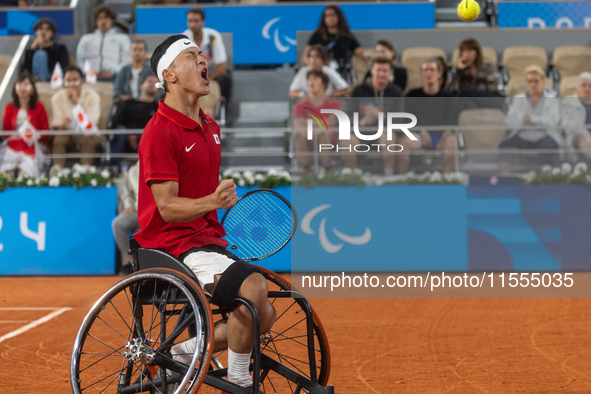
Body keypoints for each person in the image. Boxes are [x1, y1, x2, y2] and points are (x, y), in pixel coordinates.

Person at [134, 34, 275, 389]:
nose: (202, 59)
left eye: (202, 54)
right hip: (171, 247)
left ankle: (182, 353)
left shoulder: (210, 127)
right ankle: (241, 380)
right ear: (170, 75)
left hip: (205, 243)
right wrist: (214, 201)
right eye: (192, 56)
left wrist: (212, 206)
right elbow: (165, 208)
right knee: (254, 289)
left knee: (265, 311)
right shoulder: (159, 133)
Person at [293, 69, 357, 173]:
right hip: (307, 136)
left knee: (323, 132)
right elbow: (298, 124)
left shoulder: (333, 104)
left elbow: (332, 121)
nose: (311, 82)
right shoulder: (300, 105)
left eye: (315, 78)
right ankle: (306, 168)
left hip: (329, 138)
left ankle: (327, 168)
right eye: (309, 79)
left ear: (323, 84)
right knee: (298, 133)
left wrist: (309, 121)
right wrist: (321, 122)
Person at [351, 57, 403, 175]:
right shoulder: (358, 91)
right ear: (372, 71)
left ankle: (388, 176)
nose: (381, 74)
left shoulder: (396, 92)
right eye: (378, 70)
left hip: (385, 135)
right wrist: (361, 122)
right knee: (346, 140)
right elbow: (347, 117)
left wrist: (381, 116)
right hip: (361, 134)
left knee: (388, 135)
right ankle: (351, 176)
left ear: (390, 73)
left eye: (385, 71)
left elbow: (400, 120)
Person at [404, 59, 457, 174]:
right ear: (421, 74)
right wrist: (420, 130)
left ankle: (447, 180)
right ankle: (400, 181)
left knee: (452, 142)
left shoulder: (449, 97)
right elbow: (405, 119)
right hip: (418, 136)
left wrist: (448, 130)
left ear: (439, 73)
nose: (428, 73)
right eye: (425, 70)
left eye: (432, 70)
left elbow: (453, 120)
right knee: (403, 143)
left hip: (441, 138)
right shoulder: (411, 95)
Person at [501, 65, 561, 163]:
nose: (533, 84)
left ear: (543, 82)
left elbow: (553, 122)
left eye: (536, 81)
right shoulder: (518, 99)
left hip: (545, 136)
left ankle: (544, 175)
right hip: (522, 135)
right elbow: (509, 122)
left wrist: (532, 119)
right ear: (526, 83)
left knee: (547, 147)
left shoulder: (551, 100)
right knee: (504, 146)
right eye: (530, 81)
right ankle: (506, 175)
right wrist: (522, 121)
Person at [49, 66, 102, 175]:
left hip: (89, 135)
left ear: (82, 81)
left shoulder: (93, 97)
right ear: (63, 82)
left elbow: (91, 124)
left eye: (75, 80)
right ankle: (57, 168)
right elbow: (57, 124)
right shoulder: (56, 98)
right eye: (68, 80)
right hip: (68, 135)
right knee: (61, 135)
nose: (71, 84)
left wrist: (76, 103)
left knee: (86, 135)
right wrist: (62, 124)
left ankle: (85, 169)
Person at [0, 72, 50, 178]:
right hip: (14, 145)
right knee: (5, 175)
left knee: (25, 175)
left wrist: (33, 136)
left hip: (33, 145)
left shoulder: (39, 107)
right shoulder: (9, 107)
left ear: (32, 89)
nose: (22, 88)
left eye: (26, 84)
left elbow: (45, 131)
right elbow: (6, 132)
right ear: (15, 88)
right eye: (20, 84)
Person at [182, 7, 232, 103]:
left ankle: (224, 110)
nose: (193, 24)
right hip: (193, 77)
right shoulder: (183, 39)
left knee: (226, 80)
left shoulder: (213, 37)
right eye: (190, 21)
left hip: (212, 75)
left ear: (203, 22)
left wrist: (207, 79)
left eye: (196, 21)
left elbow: (222, 66)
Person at [110, 74, 160, 166]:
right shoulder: (127, 103)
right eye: (149, 81)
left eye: (156, 83)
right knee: (120, 130)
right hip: (124, 137)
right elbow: (116, 121)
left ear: (158, 91)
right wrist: (130, 133)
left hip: (146, 138)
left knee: (150, 132)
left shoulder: (159, 108)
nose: (152, 84)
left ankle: (150, 168)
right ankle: (113, 168)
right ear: (141, 86)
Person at [305, 5, 365, 78]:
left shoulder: (346, 35)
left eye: (332, 15)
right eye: (326, 16)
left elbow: (357, 49)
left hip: (342, 70)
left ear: (339, 17)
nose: (329, 18)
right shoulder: (318, 35)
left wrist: (366, 54)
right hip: (322, 71)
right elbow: (307, 52)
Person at [76, 4, 131, 82]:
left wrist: (113, 71)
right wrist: (88, 71)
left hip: (114, 76)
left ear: (112, 19)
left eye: (106, 18)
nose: (103, 21)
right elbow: (80, 60)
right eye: (100, 18)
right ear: (96, 20)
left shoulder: (122, 39)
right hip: (90, 76)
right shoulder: (86, 39)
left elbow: (127, 61)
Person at [112, 160, 140, 275]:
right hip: (137, 211)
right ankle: (127, 261)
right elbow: (126, 192)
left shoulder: (161, 166)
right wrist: (128, 205)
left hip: (156, 212)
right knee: (118, 224)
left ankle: (140, 264)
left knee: (142, 231)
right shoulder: (133, 170)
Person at [21, 18, 69, 82]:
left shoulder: (60, 48)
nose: (43, 32)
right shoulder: (30, 51)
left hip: (55, 79)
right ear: (36, 32)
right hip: (36, 79)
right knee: (40, 54)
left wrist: (48, 47)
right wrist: (33, 49)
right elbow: (26, 70)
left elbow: (63, 66)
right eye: (40, 29)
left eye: (47, 29)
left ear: (52, 33)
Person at [561, 72, 591, 159]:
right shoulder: (567, 103)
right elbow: (566, 126)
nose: (587, 89)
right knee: (582, 134)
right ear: (577, 88)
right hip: (576, 138)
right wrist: (580, 127)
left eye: (590, 86)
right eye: (583, 85)